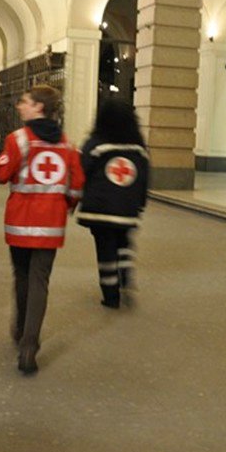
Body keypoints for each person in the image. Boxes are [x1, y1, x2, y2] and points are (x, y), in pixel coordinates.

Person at [0, 85, 84, 375]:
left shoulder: (19, 140)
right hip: (51, 226)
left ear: (39, 107)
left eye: (25, 102)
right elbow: (76, 185)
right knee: (40, 281)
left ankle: (20, 330)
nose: (20, 106)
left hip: (20, 224)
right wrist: (65, 206)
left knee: (21, 276)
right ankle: (29, 346)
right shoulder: (68, 145)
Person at [76, 99, 149, 309]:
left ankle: (111, 295)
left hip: (100, 209)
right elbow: (144, 178)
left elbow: (82, 170)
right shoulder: (138, 148)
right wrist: (140, 203)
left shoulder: (95, 143)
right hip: (127, 208)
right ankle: (125, 275)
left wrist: (78, 197)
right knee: (124, 241)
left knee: (105, 250)